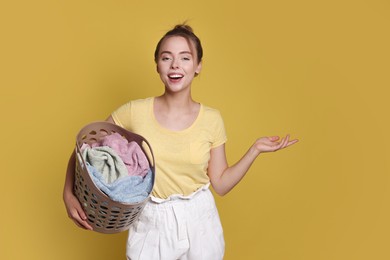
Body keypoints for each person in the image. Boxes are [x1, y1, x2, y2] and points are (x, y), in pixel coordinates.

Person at [63, 24, 298, 260]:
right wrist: (68, 193)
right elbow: (86, 150)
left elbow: (221, 184)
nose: (175, 65)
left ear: (198, 66)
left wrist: (254, 150)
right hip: (152, 221)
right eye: (167, 58)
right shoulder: (134, 112)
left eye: (185, 58)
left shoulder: (212, 120)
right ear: (157, 65)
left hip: (200, 219)